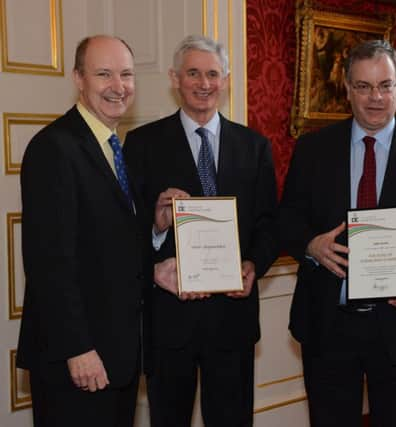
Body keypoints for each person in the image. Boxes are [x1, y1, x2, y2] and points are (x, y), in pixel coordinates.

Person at [278, 39, 396, 427]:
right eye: (363, 86)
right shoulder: (313, 149)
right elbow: (287, 218)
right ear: (346, 88)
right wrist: (310, 244)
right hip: (328, 322)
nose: (375, 97)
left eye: (385, 85)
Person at [123, 35, 278, 427]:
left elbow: (268, 222)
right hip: (170, 318)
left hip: (233, 319)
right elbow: (124, 229)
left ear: (225, 80)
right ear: (175, 78)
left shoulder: (254, 146)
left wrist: (253, 263)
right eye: (193, 73)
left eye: (212, 74)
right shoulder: (142, 143)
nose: (204, 83)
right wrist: (158, 230)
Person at [17, 35, 151, 426]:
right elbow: (48, 262)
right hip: (77, 361)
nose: (118, 86)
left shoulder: (114, 149)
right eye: (104, 74)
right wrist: (78, 349)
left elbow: (110, 243)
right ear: (78, 78)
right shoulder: (54, 148)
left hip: (118, 356)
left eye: (126, 74)